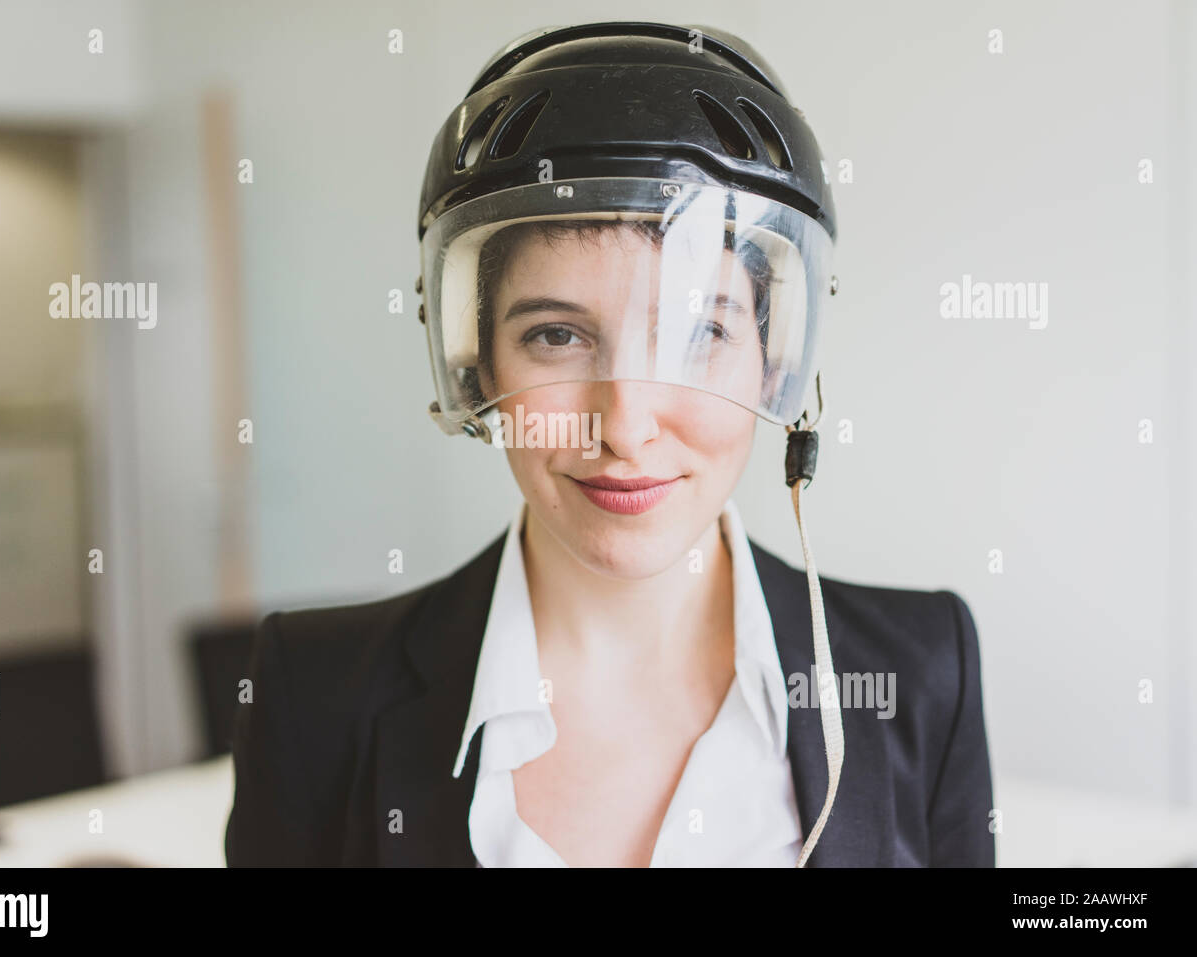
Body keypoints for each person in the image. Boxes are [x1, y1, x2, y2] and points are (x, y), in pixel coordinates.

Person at [225, 21, 996, 867]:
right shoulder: (313, 692)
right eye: (557, 335)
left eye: (702, 332)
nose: (625, 426)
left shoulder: (924, 670)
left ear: (774, 362)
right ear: (474, 364)